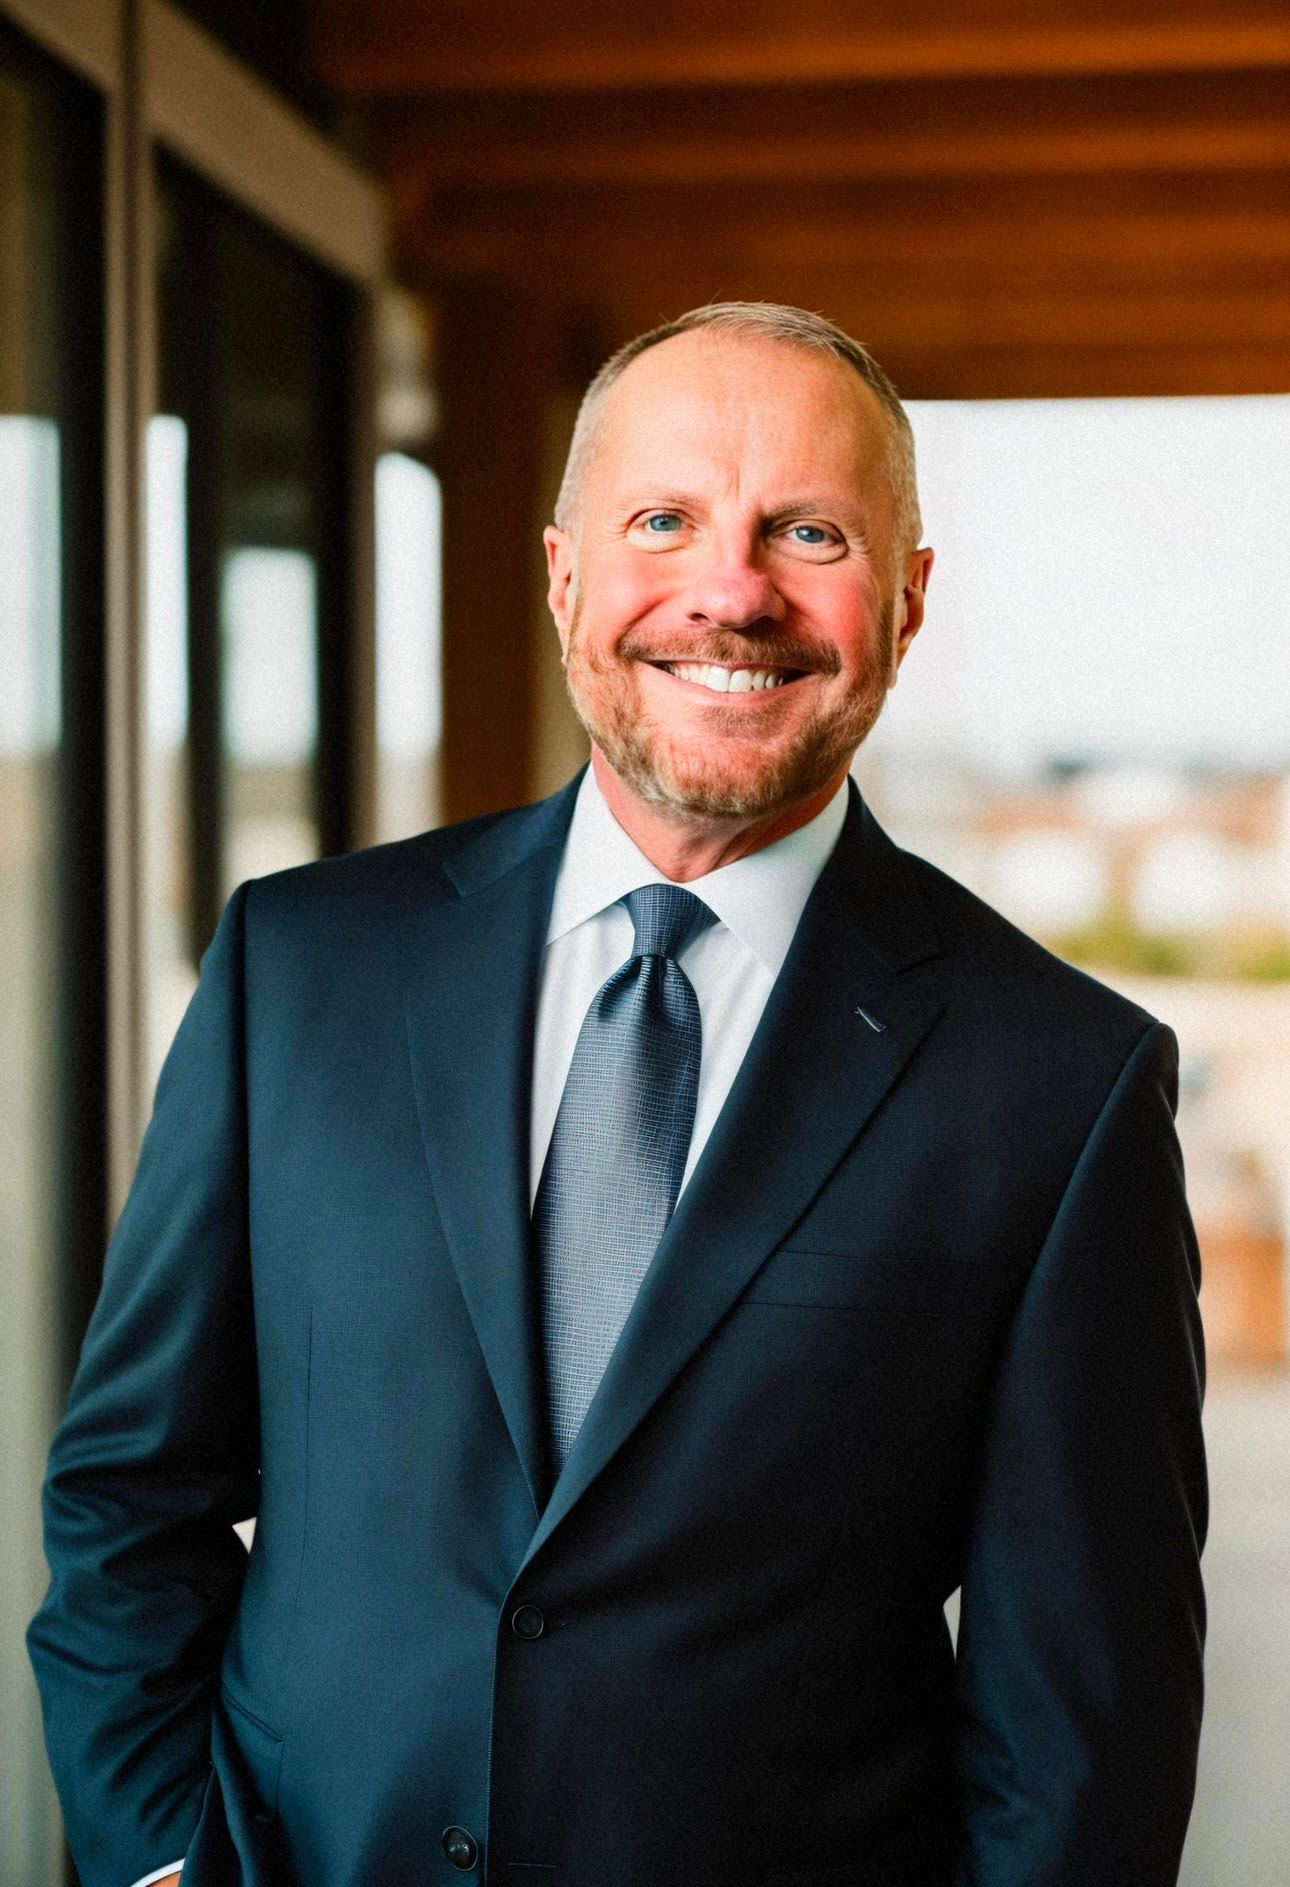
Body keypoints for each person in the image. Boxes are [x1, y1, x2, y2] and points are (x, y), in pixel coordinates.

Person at [29, 302, 1206, 1887]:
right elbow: (129, 1494)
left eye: (808, 531)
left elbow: (1085, 1711)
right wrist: (161, 1862)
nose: (731, 593)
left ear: (909, 602)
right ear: (564, 569)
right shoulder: (298, 970)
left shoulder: (1059, 1082)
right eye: (664, 519)